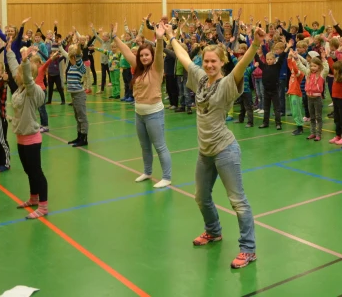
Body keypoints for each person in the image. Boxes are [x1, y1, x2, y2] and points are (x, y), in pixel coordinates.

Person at [167, 23, 266, 269]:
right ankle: (213, 231)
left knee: (238, 201)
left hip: (225, 151)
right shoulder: (201, 79)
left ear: (222, 63)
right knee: (201, 197)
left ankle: (248, 249)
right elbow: (183, 56)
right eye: (207, 61)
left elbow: (241, 67)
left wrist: (254, 44)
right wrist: (169, 36)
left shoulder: (226, 85)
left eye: (214, 62)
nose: (209, 65)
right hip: (205, 152)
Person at [112, 22, 171, 188]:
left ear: (151, 56)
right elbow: (125, 50)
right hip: (139, 114)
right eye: (142, 55)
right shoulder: (137, 67)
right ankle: (147, 172)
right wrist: (115, 37)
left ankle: (166, 177)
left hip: (154, 113)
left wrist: (159, 40)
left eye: (147, 55)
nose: (145, 57)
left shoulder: (156, 68)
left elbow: (159, 54)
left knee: (160, 146)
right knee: (145, 146)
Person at [7, 45, 49, 219]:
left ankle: (43, 207)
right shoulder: (20, 89)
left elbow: (27, 77)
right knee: (28, 170)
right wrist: (9, 51)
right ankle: (33, 198)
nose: (16, 74)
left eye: (20, 72)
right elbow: (12, 67)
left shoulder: (33, 91)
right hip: (21, 137)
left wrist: (25, 61)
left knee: (36, 171)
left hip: (32, 138)